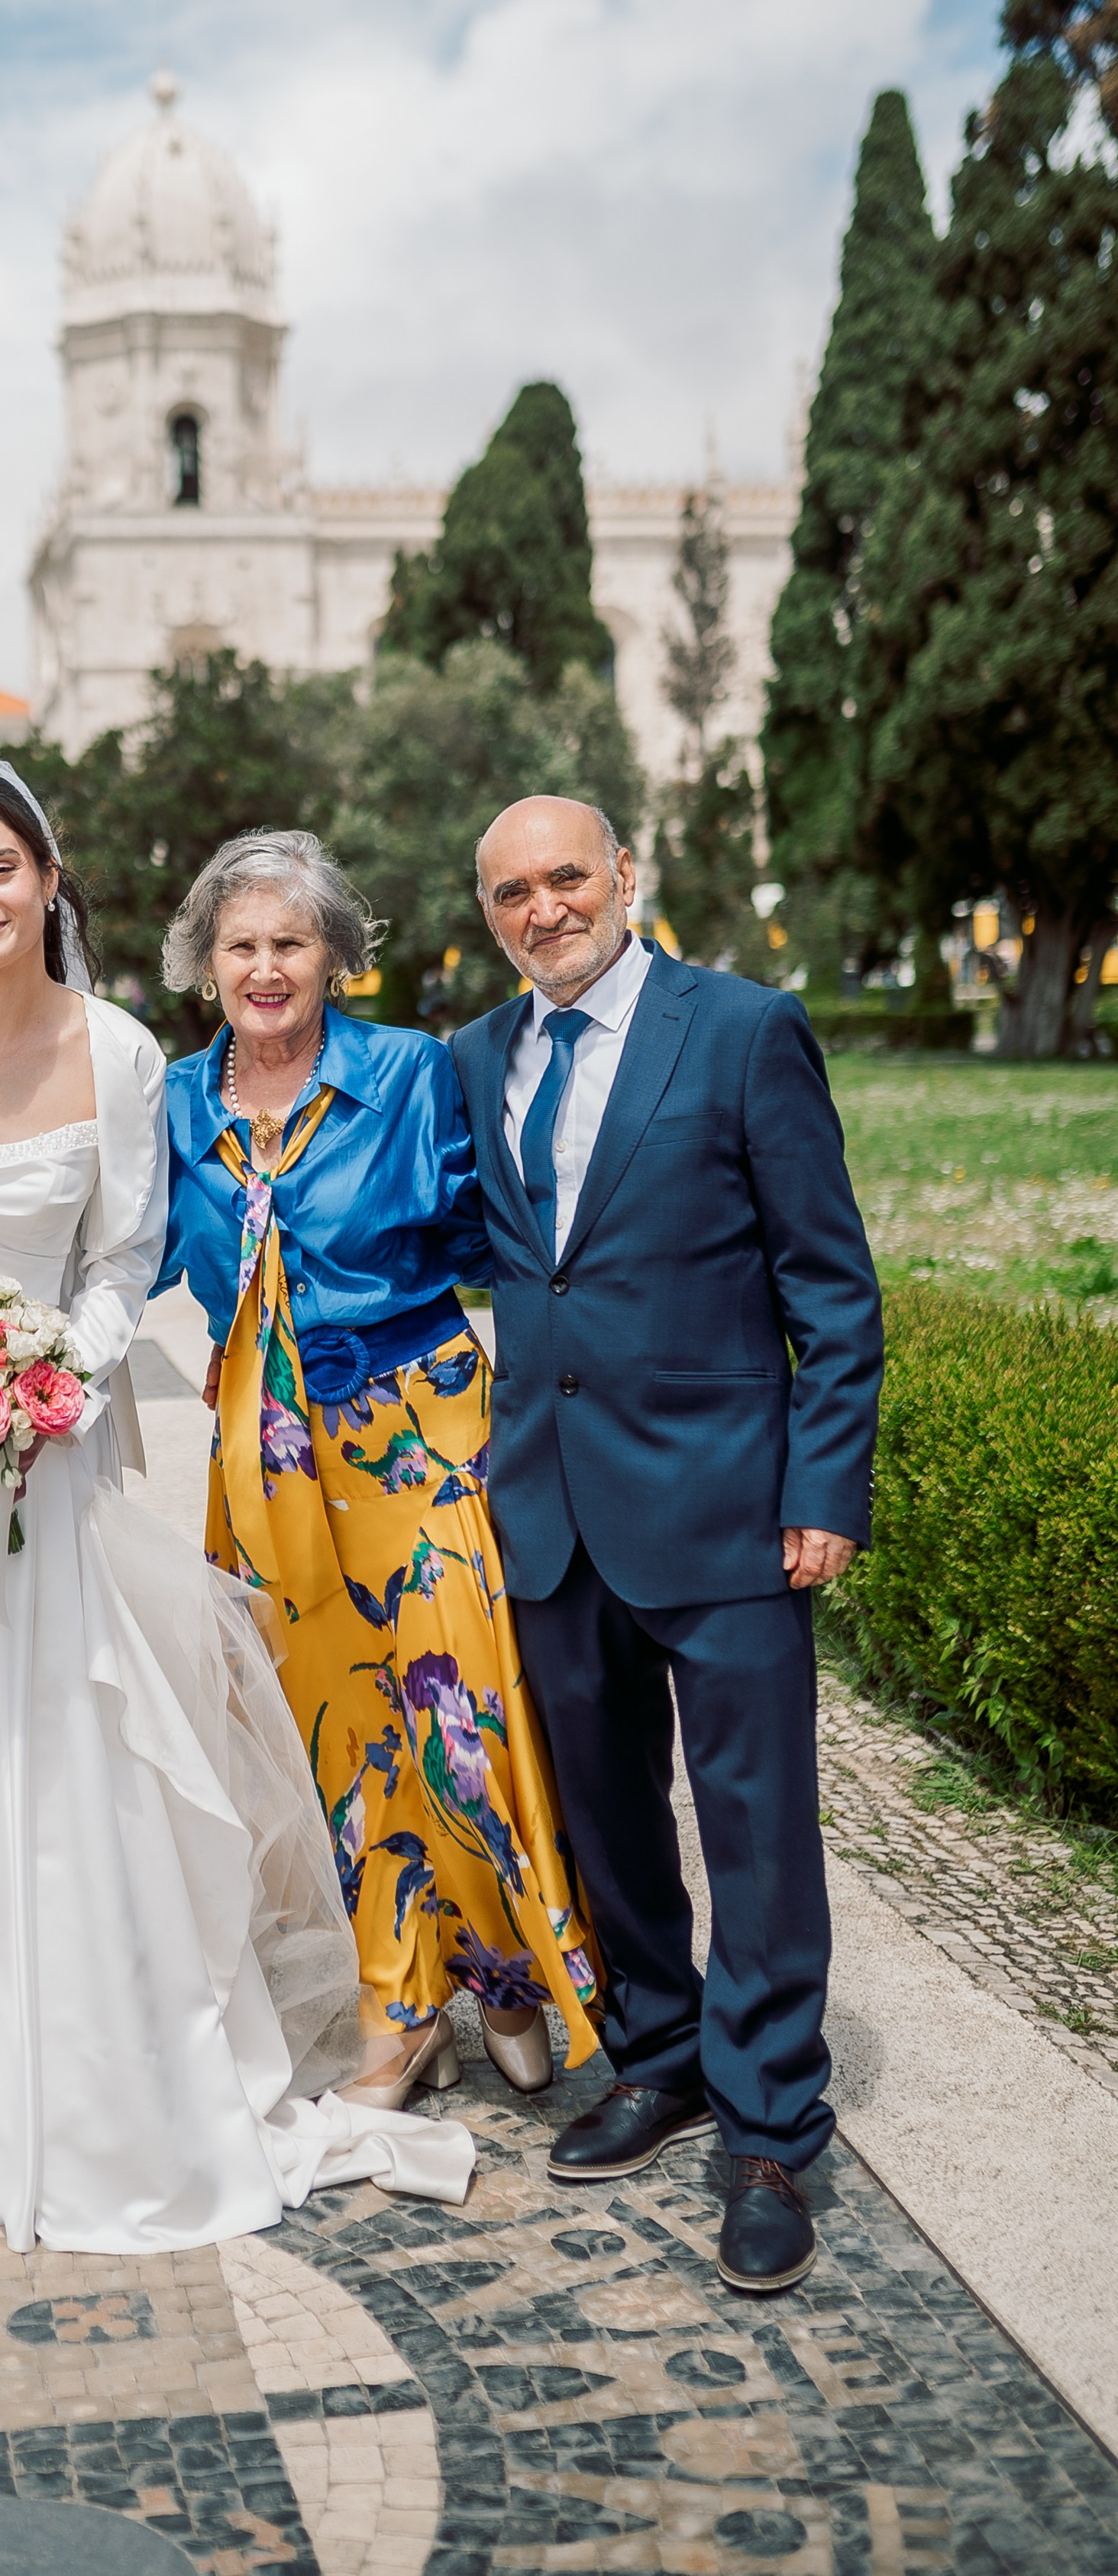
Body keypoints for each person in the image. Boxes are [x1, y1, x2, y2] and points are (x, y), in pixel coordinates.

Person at [0, 764, 477, 2249]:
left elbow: (119, 1261)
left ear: (47, 876)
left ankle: (82, 2061)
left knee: (50, 1737)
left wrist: (50, 1379)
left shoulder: (119, 1052)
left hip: (40, 1434)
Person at [451, 795, 883, 2296]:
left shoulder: (745, 1031)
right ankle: (660, 2051)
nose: (544, 909)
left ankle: (768, 2131)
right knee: (604, 1811)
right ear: (489, 914)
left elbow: (831, 1288)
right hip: (551, 1507)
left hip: (726, 1503)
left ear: (624, 875)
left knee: (754, 1822)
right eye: (512, 892)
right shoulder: (474, 1057)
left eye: (567, 877)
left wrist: (822, 1488)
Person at [157, 831, 603, 2110]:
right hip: (267, 1448)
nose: (266, 968)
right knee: (339, 1742)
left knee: (465, 1718)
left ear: (336, 958)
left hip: (419, 1429)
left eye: (291, 943)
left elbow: (498, 1234)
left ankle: (507, 1975)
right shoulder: (175, 1101)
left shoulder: (408, 1072)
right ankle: (399, 2008)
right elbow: (123, 1252)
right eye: (242, 945)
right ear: (207, 963)